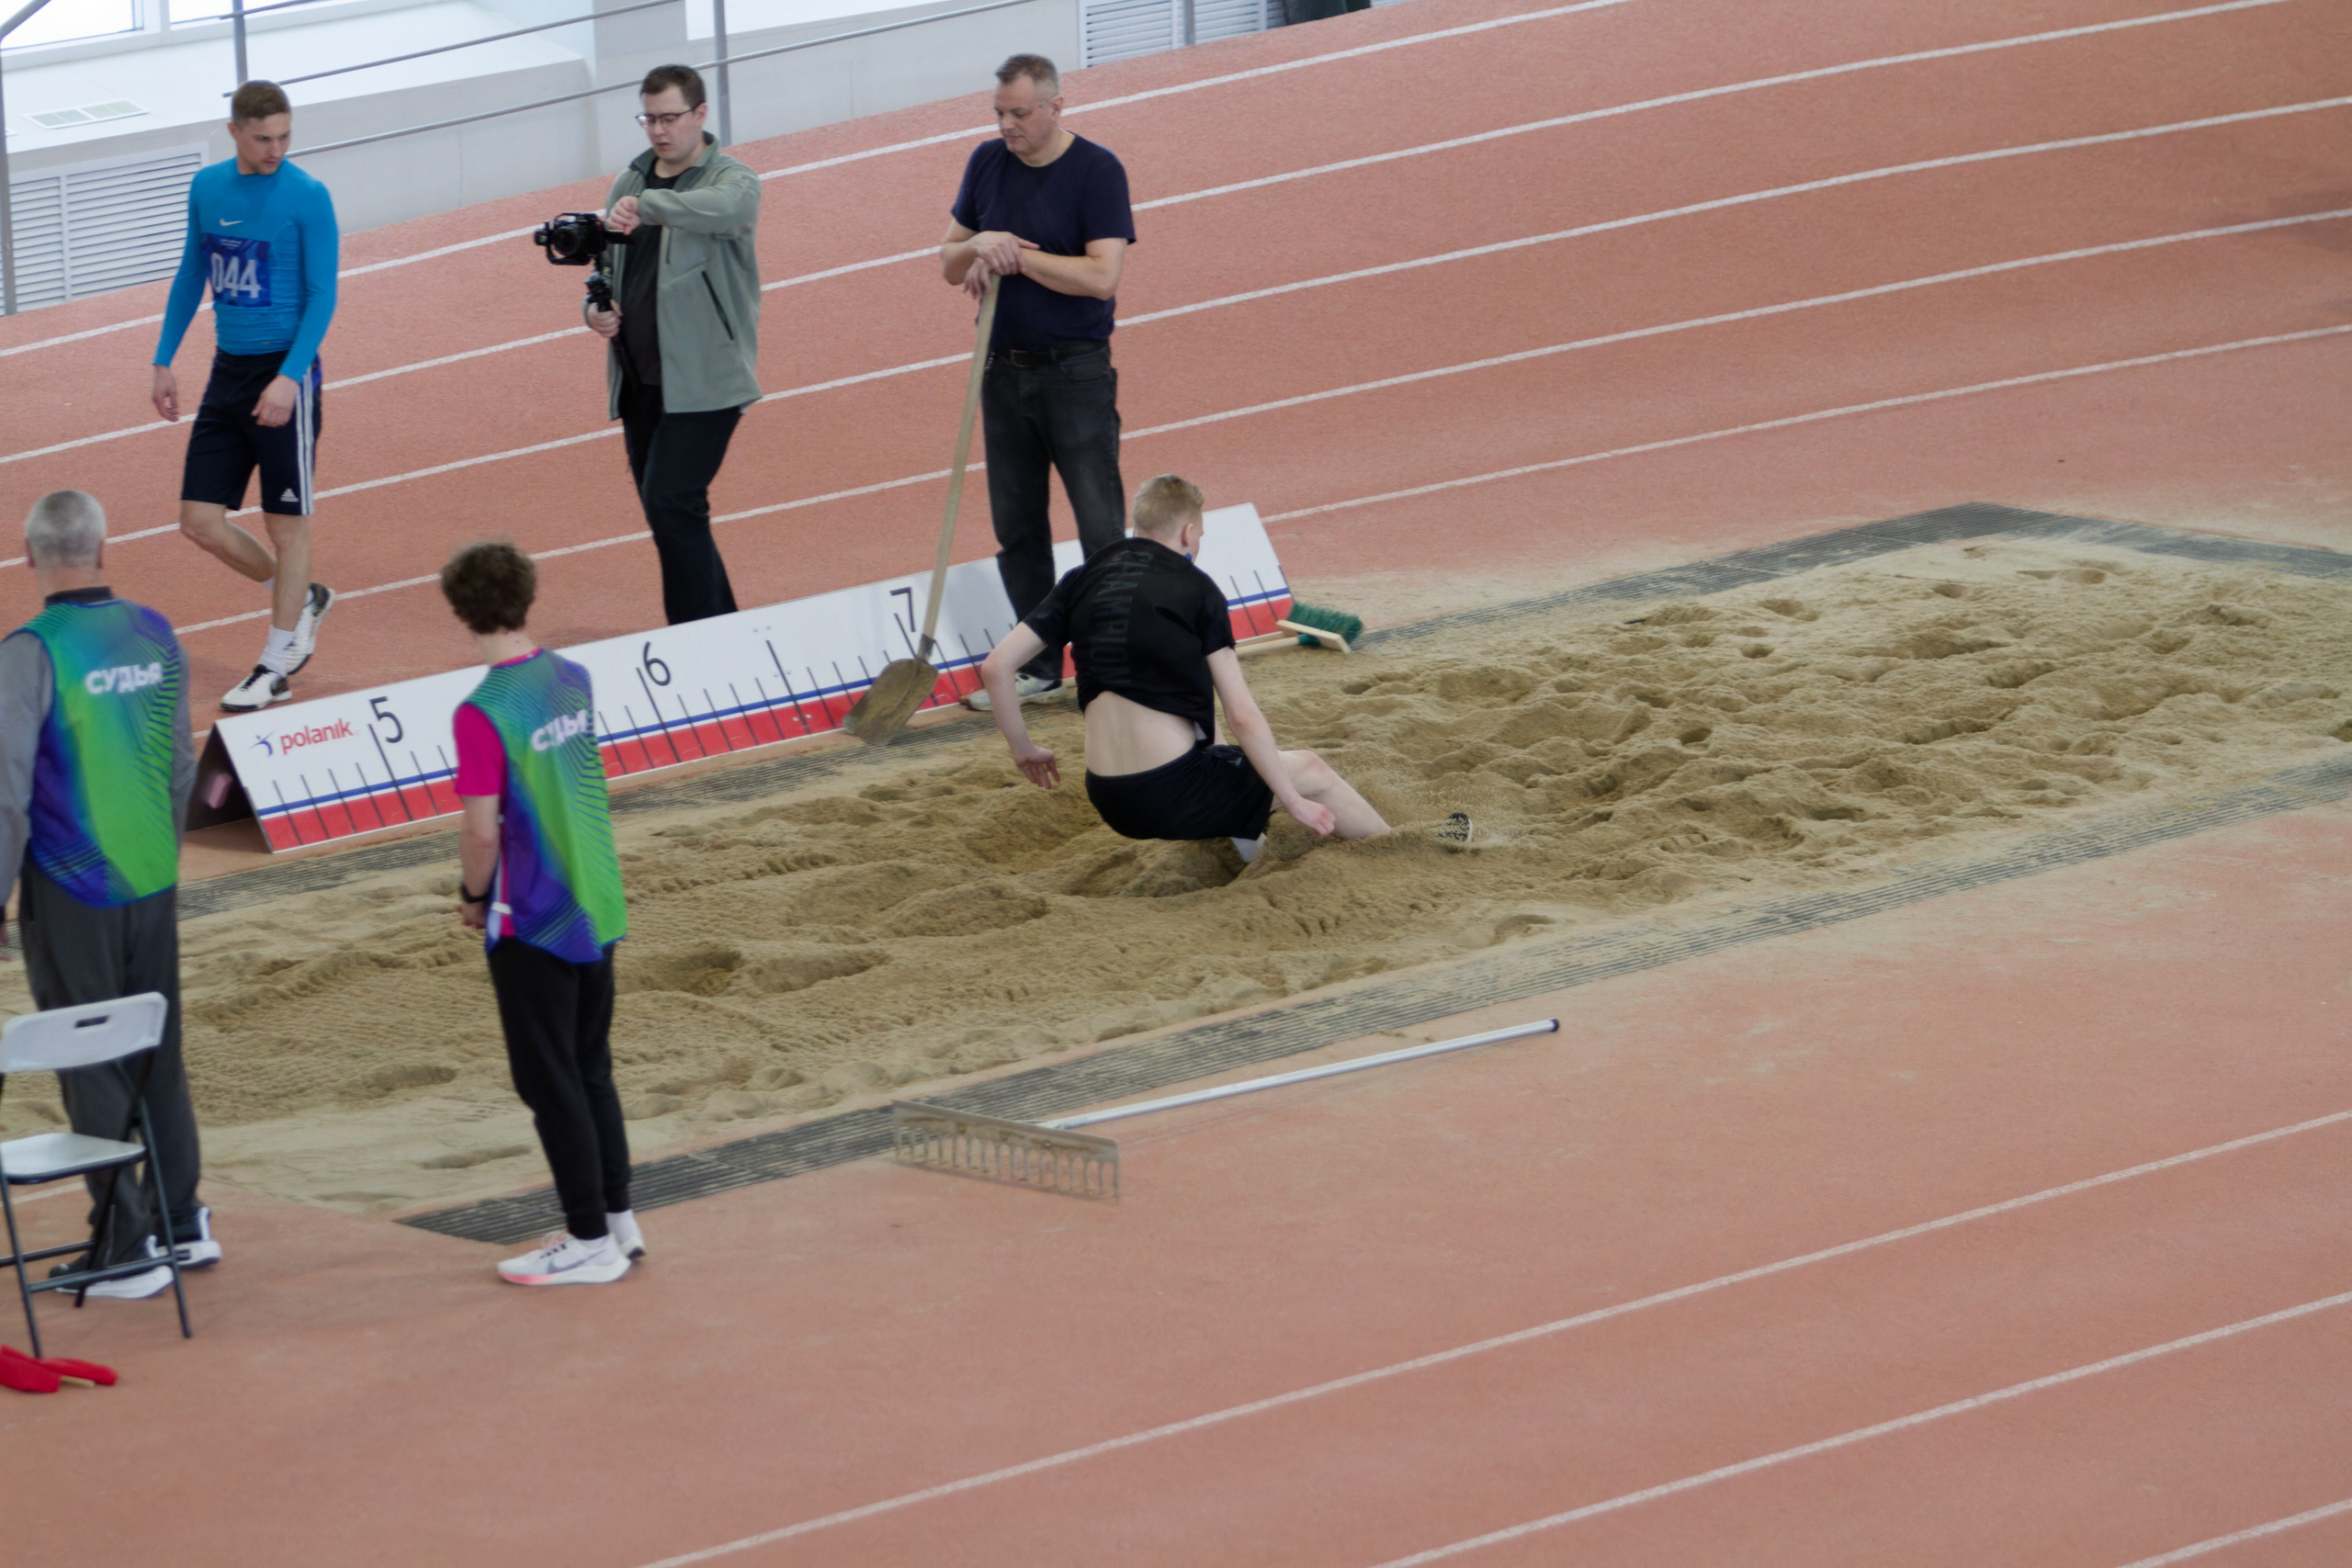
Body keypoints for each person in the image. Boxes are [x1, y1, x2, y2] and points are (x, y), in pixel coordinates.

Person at [0, 491, 212, 1301]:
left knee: (89, 1054)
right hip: (151, 879)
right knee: (158, 1046)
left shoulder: (27, 654)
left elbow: (9, 796)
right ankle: (181, 1221)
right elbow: (180, 767)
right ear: (103, 545)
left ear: (30, 557)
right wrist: (158, 853)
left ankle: (124, 1246)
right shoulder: (154, 633)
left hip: (70, 887)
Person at [979, 475, 1392, 854]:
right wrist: (1293, 799)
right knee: (1309, 770)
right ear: (1188, 532)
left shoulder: (1081, 577)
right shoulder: (1197, 589)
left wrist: (1025, 750)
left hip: (1108, 798)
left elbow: (996, 668)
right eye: (1200, 536)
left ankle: (1256, 854)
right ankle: (1404, 845)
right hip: (1171, 792)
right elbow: (1244, 715)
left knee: (1208, 731)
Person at [442, 541, 642, 1287]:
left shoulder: (481, 712)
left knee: (548, 1078)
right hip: (597, 895)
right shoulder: (573, 677)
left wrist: (471, 897)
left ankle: (588, 1239)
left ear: (461, 612)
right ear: (528, 595)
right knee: (590, 1066)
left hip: (532, 913)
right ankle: (618, 1220)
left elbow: (480, 828)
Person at [941, 53, 1136, 709]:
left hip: (1077, 373)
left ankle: (1116, 659)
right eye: (999, 113)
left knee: (1100, 527)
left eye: (1020, 113)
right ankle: (1040, 664)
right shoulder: (985, 163)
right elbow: (947, 260)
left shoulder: (1097, 170)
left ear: (1057, 106)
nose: (1007, 126)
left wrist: (1016, 255)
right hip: (1002, 371)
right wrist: (981, 243)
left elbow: (1101, 276)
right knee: (1017, 528)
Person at [151, 79, 338, 715]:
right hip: (228, 373)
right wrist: (163, 358)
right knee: (199, 521)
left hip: (287, 375)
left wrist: (290, 376)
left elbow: (322, 294)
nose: (276, 149)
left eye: (285, 136)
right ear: (233, 132)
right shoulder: (208, 188)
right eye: (263, 138)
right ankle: (303, 597)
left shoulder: (308, 197)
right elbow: (190, 274)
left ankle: (275, 663)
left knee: (288, 526)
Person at [586, 64, 763, 626]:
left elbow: (728, 213)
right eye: (649, 119)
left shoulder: (732, 180)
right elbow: (606, 270)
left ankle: (694, 641)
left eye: (669, 118)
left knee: (671, 500)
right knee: (673, 513)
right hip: (640, 379)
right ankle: (726, 626)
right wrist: (594, 309)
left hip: (708, 380)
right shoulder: (629, 181)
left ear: (700, 114)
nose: (659, 131)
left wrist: (652, 207)